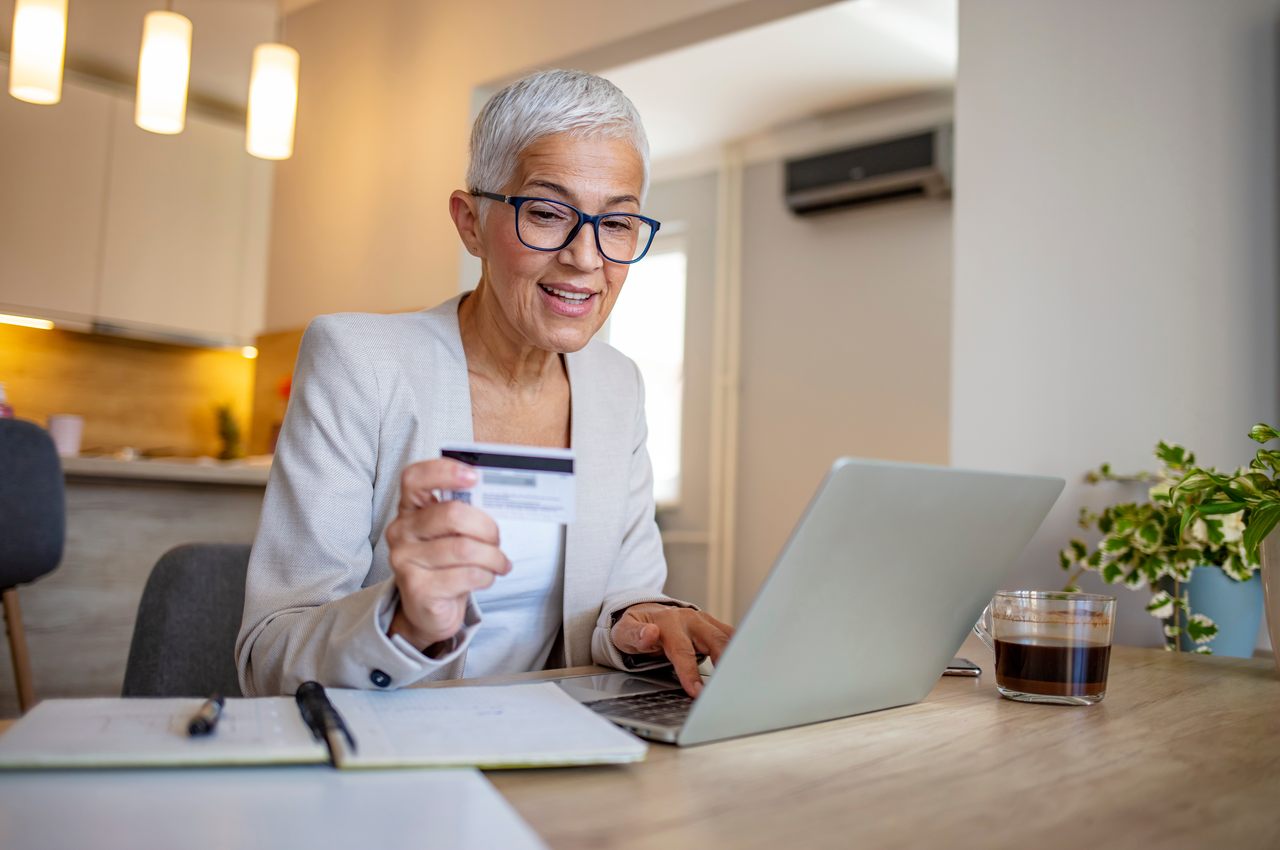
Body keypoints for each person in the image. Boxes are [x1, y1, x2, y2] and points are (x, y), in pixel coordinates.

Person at [235, 69, 733, 699]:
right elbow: (267, 653)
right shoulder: (360, 361)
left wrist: (643, 622)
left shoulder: (616, 387)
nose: (585, 257)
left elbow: (619, 600)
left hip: (562, 743)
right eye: (548, 213)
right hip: (394, 756)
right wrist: (403, 621)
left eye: (617, 224)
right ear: (470, 222)